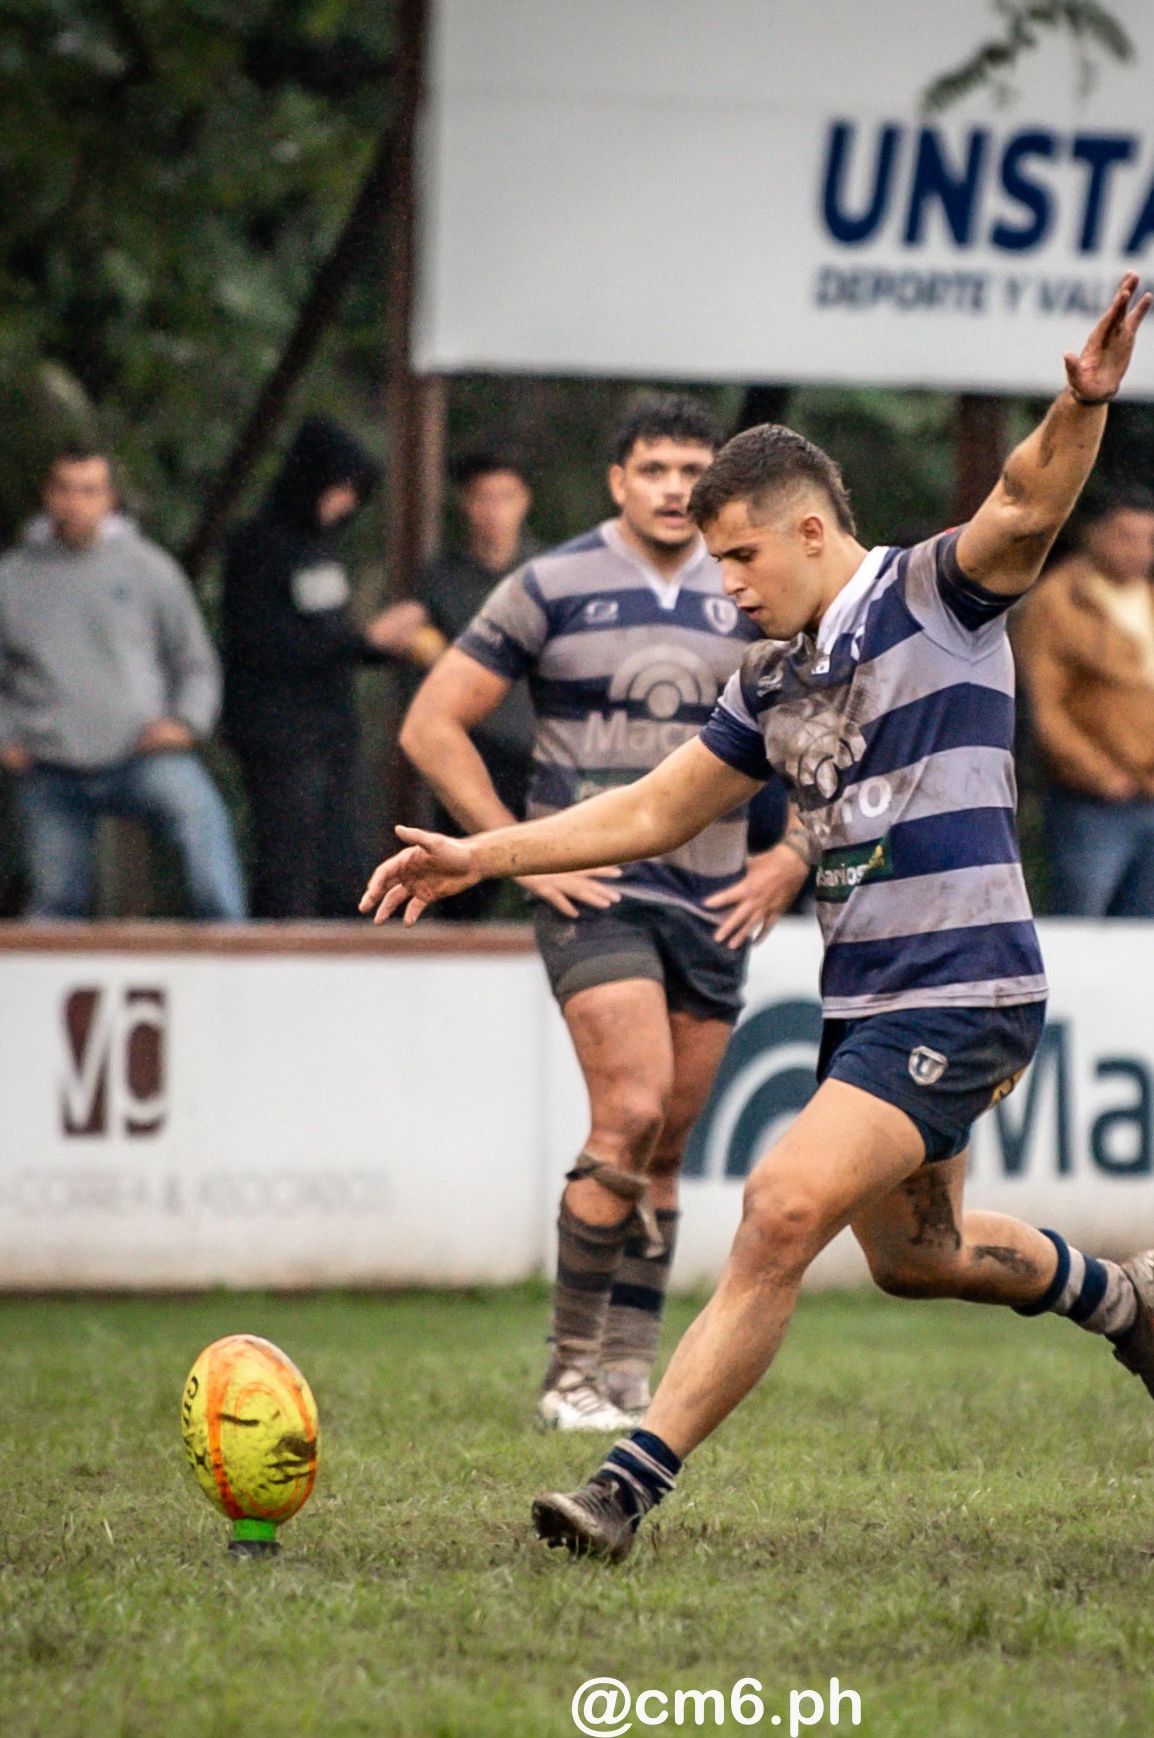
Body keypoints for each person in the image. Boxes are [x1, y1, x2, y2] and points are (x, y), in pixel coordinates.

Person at [363, 274, 1154, 1563]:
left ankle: (621, 1490)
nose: (728, 588)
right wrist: (483, 849)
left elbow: (1026, 505)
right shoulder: (770, 680)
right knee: (919, 1257)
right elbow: (649, 809)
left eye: (741, 558)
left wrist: (1078, 407)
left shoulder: (934, 594)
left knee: (776, 1209)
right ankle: (1119, 1298)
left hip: (962, 982)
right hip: (869, 997)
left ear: (810, 530)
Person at [396, 394, 812, 1432]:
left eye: (690, 470)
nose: (674, 487)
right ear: (616, 481)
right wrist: (517, 857)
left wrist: (790, 856)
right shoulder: (549, 584)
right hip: (597, 891)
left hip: (716, 896)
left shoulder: (751, 586)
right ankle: (566, 1374)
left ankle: (627, 1374)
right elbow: (430, 722)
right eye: (654, 469)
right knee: (626, 1112)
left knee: (666, 1145)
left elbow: (823, 730)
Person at [0, 447, 245, 920]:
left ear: (109, 499)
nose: (75, 503)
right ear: (49, 495)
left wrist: (187, 723)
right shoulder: (12, 578)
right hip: (50, 765)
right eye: (65, 489)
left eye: (89, 491)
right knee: (56, 899)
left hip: (142, 754)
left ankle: (235, 954)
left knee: (202, 827)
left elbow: (195, 661)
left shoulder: (151, 570)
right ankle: (42, 988)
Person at [219, 417, 384, 919]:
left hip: (331, 730)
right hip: (279, 733)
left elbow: (328, 637)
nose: (346, 505)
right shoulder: (259, 547)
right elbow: (265, 642)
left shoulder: (323, 547)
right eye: (339, 489)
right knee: (287, 866)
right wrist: (359, 643)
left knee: (345, 863)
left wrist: (374, 646)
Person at [1012, 486, 1154, 918]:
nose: (1140, 551)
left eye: (1150, 539)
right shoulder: (1056, 601)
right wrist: (1098, 774)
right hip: (1089, 801)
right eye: (1126, 536)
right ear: (1091, 534)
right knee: (1083, 917)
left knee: (1153, 928)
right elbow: (1043, 706)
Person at [368, 452, 540, 919]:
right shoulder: (441, 579)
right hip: (471, 755)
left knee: (561, 881)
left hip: (541, 756)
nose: (494, 511)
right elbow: (394, 635)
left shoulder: (547, 577)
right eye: (483, 498)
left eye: (504, 497)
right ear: (465, 504)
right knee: (464, 887)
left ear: (524, 502)